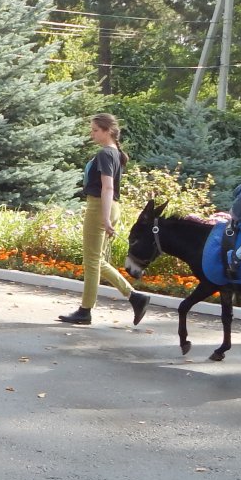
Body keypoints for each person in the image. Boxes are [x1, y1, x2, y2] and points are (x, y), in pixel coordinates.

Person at [58, 113, 150, 326]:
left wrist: (105, 218)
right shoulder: (115, 153)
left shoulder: (105, 153)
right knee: (97, 259)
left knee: (91, 261)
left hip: (100, 207)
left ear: (108, 131)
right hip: (108, 207)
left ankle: (85, 311)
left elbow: (107, 187)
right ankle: (135, 297)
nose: (92, 134)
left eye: (95, 130)